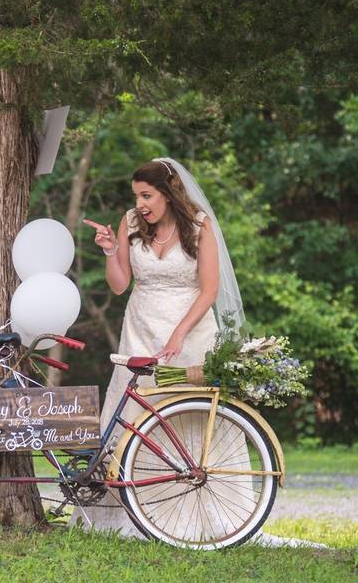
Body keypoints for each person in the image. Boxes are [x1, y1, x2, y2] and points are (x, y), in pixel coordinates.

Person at [73, 156, 239, 537]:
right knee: (132, 412)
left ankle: (190, 509)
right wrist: (111, 250)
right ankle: (127, 513)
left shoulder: (199, 226)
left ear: (168, 193)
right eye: (137, 196)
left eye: (147, 195)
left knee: (185, 415)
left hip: (190, 330)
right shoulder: (131, 223)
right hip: (141, 329)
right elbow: (118, 285)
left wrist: (180, 333)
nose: (140, 204)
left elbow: (210, 289)